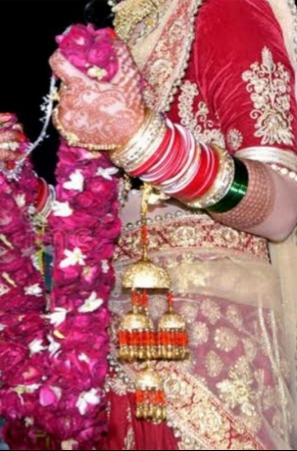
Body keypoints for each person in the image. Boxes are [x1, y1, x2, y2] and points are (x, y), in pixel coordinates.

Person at [45, 0, 297, 448]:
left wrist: (143, 141)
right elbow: (105, 220)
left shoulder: (227, 9)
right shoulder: (114, 41)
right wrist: (22, 191)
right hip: (108, 356)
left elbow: (282, 207)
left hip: (207, 351)